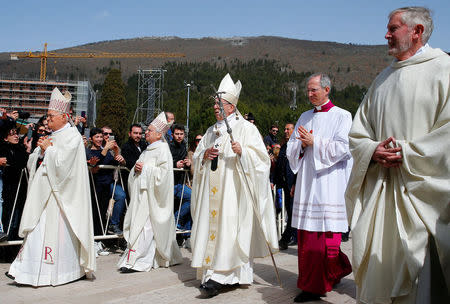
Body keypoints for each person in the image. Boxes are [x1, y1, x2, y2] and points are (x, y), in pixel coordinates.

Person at [345, 7, 450, 303]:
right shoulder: (382, 79)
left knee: (419, 277)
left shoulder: (444, 70)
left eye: (393, 29)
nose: (386, 35)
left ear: (417, 31)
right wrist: (372, 149)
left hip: (422, 196)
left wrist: (410, 152)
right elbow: (358, 133)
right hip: (383, 194)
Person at [190, 73, 278, 297]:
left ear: (231, 107)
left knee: (230, 231)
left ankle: (226, 276)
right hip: (212, 193)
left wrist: (243, 152)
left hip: (234, 194)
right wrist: (205, 156)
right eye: (214, 104)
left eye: (220, 104)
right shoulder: (211, 131)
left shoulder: (246, 129)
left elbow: (262, 161)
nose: (215, 107)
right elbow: (197, 158)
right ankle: (213, 273)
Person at [7, 87, 95, 286]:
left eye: (51, 116)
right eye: (47, 116)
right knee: (37, 232)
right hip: (44, 194)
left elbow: (65, 168)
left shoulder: (72, 137)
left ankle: (62, 272)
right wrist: (39, 153)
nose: (48, 120)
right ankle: (23, 270)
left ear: (64, 116)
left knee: (53, 234)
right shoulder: (52, 136)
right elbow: (34, 160)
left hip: (60, 197)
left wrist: (49, 151)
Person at [287, 73, 352, 302]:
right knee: (308, 236)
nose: (309, 94)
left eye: (314, 90)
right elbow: (291, 148)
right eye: (308, 90)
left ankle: (327, 276)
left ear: (327, 89)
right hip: (307, 182)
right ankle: (312, 284)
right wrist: (301, 146)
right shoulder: (304, 117)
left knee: (326, 238)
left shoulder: (342, 116)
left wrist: (316, 143)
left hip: (329, 184)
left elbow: (345, 148)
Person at [118, 112, 182, 273]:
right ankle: (136, 257)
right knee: (141, 227)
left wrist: (145, 169)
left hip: (153, 198)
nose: (146, 132)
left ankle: (139, 261)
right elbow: (136, 172)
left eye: (149, 131)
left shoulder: (162, 150)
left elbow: (164, 176)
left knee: (146, 228)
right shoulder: (147, 150)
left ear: (159, 134)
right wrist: (137, 170)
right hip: (143, 197)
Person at [86, 128, 126, 236]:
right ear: (91, 139)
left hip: (106, 185)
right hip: (96, 185)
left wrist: (117, 152)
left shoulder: (107, 152)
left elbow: (114, 163)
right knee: (95, 212)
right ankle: (94, 237)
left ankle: (102, 237)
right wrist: (105, 150)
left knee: (103, 211)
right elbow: (96, 161)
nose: (99, 139)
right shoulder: (88, 151)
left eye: (100, 137)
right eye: (96, 137)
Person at [274, 123, 297, 250]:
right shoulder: (284, 147)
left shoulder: (297, 145)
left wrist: (295, 183)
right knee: (289, 211)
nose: (285, 131)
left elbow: (296, 166)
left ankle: (286, 238)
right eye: (285, 129)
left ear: (294, 131)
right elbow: (280, 166)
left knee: (293, 212)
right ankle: (288, 237)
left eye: (288, 129)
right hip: (284, 185)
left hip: (293, 185)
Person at [169, 124, 192, 243]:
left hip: (180, 183)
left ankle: (176, 220)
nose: (179, 136)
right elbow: (165, 161)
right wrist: (174, 164)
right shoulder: (167, 146)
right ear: (172, 135)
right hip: (169, 184)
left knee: (192, 197)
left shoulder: (184, 146)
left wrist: (188, 163)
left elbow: (185, 161)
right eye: (177, 134)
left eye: (181, 134)